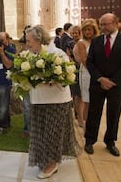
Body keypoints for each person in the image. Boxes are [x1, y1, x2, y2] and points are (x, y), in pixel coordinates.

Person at [25, 25, 79, 179]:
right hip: (38, 101)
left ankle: (52, 164)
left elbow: (67, 79)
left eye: (29, 40)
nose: (27, 43)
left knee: (53, 134)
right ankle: (43, 159)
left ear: (38, 39)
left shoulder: (58, 54)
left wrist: (51, 80)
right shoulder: (31, 55)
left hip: (56, 102)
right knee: (41, 133)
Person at [84, 13, 121, 157]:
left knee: (114, 114)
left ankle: (110, 141)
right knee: (94, 113)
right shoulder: (96, 41)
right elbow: (90, 62)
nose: (103, 27)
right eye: (101, 24)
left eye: (106, 24)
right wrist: (100, 78)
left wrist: (112, 81)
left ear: (116, 23)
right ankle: (89, 140)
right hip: (97, 84)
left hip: (117, 86)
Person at [73, 19, 100, 128]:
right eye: (85, 30)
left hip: (97, 71)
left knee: (95, 99)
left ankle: (92, 121)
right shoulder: (81, 43)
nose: (87, 32)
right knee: (86, 98)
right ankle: (85, 121)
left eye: (89, 29)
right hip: (87, 72)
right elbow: (84, 60)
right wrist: (95, 73)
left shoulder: (97, 41)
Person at [18, 26, 31, 137]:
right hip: (26, 81)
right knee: (27, 106)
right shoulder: (22, 50)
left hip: (36, 82)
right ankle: (27, 129)